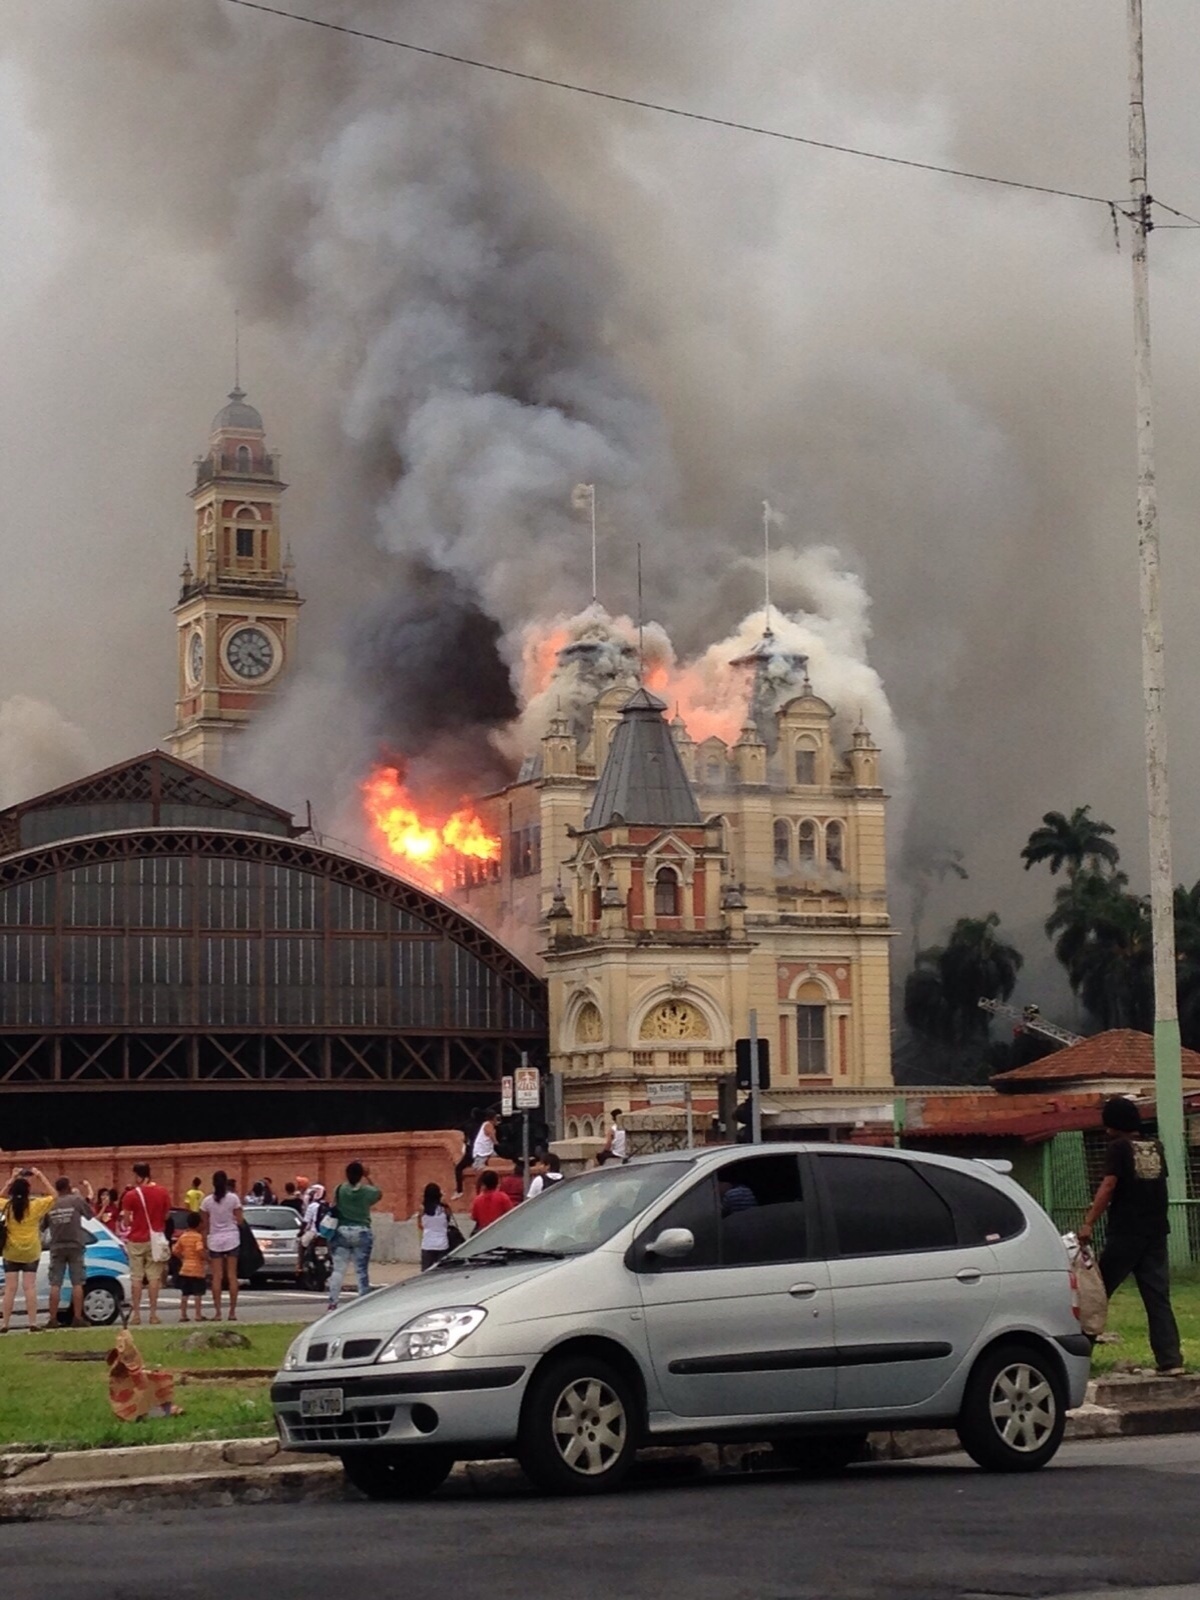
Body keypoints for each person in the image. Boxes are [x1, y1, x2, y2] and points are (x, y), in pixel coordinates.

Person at [1079, 1096, 1184, 1375]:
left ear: (1113, 1122)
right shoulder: (1155, 1147)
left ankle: (1077, 1354)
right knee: (1157, 1296)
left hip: (1126, 1232)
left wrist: (1088, 1222)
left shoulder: (1117, 1148)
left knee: (1098, 1293)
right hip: (1156, 1232)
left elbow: (1109, 1185)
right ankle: (1170, 1359)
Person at [0, 1168, 55, 1333]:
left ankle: (5, 1324)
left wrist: (11, 1179)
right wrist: (40, 1176)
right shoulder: (35, 1206)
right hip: (31, 1251)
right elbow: (54, 1196)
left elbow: (0, 1196)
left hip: (11, 1251)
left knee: (10, 1288)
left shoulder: (7, 1207)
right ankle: (32, 1322)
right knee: (29, 1287)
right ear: (28, 1191)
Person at [120, 1161, 172, 1326]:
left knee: (136, 1277)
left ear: (139, 1176)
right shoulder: (162, 1192)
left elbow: (126, 1222)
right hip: (155, 1240)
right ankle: (153, 1314)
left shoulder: (130, 1195)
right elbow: (166, 1216)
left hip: (136, 1239)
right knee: (154, 1278)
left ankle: (136, 1315)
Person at [326, 1161, 382, 1311]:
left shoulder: (339, 1189)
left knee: (338, 1270)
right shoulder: (366, 1191)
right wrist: (368, 1177)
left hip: (342, 1230)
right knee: (361, 1270)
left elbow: (333, 1204)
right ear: (360, 1175)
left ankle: (333, 1302)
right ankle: (362, 1302)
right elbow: (378, 1193)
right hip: (362, 1230)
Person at [46, 1175, 93, 1329]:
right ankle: (77, 1318)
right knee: (77, 1283)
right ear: (68, 1187)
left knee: (55, 1283)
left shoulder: (50, 1203)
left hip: (57, 1246)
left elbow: (42, 1226)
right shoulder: (76, 1200)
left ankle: (52, 1319)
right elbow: (89, 1215)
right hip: (75, 1245)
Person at [200, 1170, 244, 1322]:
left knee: (217, 1277)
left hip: (215, 1240)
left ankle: (218, 1313)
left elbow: (204, 1225)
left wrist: (204, 1243)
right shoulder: (233, 1198)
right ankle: (232, 1312)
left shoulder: (207, 1201)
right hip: (232, 1237)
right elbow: (240, 1220)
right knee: (232, 1276)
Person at [175, 1212, 208, 1324]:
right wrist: (206, 1258)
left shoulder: (183, 1236)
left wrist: (183, 1258)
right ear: (199, 1224)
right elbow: (199, 1250)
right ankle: (198, 1314)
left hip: (185, 1268)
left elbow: (175, 1250)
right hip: (197, 1269)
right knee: (198, 1293)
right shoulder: (198, 1237)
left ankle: (183, 1314)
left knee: (185, 1293)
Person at [415, 1183, 453, 1270]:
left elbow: (420, 1225)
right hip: (442, 1243)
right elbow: (448, 1221)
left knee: (426, 1273)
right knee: (441, 1272)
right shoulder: (445, 1209)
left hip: (427, 1244)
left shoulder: (422, 1209)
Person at [470, 1169, 513, 1233]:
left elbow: (474, 1217)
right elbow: (511, 1214)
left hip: (484, 1232)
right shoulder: (503, 1197)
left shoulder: (477, 1200)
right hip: (501, 1231)